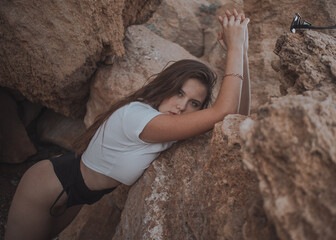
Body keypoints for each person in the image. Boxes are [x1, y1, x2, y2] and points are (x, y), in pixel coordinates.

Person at [5, 9, 250, 240]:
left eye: (194, 103)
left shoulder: (168, 120)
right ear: (165, 87)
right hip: (47, 186)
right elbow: (223, 111)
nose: (182, 106)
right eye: (178, 93)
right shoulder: (141, 119)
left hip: (79, 193)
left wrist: (244, 53)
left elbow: (234, 118)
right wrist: (234, 48)